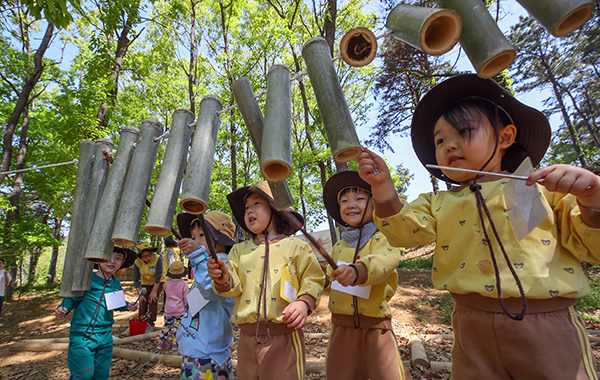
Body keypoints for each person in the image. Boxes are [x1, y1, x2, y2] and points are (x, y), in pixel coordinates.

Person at [357, 73, 600, 380]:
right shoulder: (437, 202)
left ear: (506, 137)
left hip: (545, 325)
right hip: (470, 327)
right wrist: (381, 188)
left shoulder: (540, 189)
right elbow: (403, 231)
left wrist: (593, 200)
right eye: (440, 140)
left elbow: (592, 247)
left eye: (464, 132)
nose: (450, 145)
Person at [207, 182, 325, 380]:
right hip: (247, 340)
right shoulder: (239, 251)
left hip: (285, 337)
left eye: (256, 204)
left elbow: (313, 278)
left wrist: (304, 303)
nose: (249, 210)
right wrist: (221, 277)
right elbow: (232, 287)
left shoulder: (297, 246)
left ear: (274, 209)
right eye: (246, 208)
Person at [321, 170, 408, 380]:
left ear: (375, 203)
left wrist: (357, 271)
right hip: (341, 326)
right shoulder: (339, 246)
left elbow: (384, 262)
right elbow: (330, 279)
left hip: (376, 327)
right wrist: (324, 279)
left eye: (360, 199)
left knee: (388, 374)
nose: (351, 204)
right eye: (344, 201)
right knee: (339, 373)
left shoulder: (384, 237)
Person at [55, 247, 138, 380]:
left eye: (117, 258)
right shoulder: (87, 279)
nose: (112, 261)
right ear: (98, 259)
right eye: (108, 257)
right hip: (83, 335)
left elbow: (116, 302)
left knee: (101, 375)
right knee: (84, 375)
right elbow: (72, 298)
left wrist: (127, 305)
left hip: (105, 335)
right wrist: (63, 308)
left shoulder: (115, 283)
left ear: (122, 263)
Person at [176, 211, 237, 380]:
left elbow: (213, 291)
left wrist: (198, 257)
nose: (195, 241)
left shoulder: (224, 265)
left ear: (221, 238)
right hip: (196, 349)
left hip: (208, 355)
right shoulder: (203, 264)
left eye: (202, 235)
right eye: (193, 236)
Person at [133, 241, 165, 332]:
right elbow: (135, 279)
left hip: (158, 281)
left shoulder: (157, 258)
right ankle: (141, 321)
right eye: (145, 256)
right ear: (140, 257)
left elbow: (158, 276)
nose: (148, 258)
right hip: (145, 282)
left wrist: (154, 292)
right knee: (143, 301)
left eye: (150, 255)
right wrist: (140, 294)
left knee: (152, 300)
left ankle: (150, 324)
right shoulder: (137, 262)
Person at [158, 260, 188, 350]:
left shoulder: (166, 283)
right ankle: (176, 343)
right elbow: (185, 298)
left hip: (168, 309)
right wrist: (186, 307)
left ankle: (162, 342)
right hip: (179, 309)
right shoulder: (183, 284)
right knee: (178, 326)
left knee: (167, 325)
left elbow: (167, 293)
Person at [159, 236, 182, 315]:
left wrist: (170, 275)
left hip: (168, 275)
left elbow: (170, 263)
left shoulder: (170, 251)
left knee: (168, 293)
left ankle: (166, 308)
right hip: (175, 274)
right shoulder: (176, 251)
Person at [0, 258, 12, 327]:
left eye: (1, 263)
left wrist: (5, 274)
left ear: (3, 264)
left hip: (0, 292)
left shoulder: (4, 272)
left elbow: (7, 282)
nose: (0, 264)